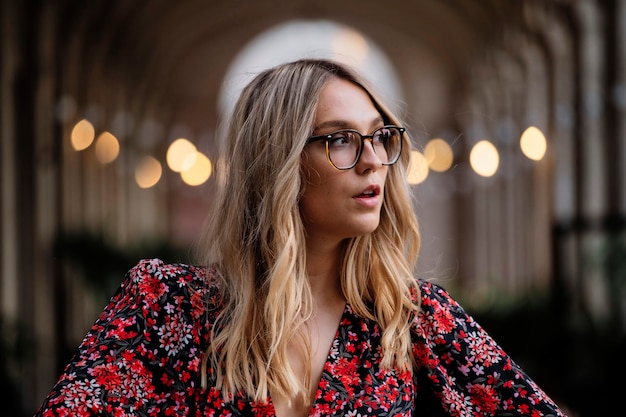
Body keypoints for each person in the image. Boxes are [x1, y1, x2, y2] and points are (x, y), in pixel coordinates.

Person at [35, 58, 567, 417]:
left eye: (382, 137)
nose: (373, 161)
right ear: (278, 161)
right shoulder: (163, 306)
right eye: (340, 139)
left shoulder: (411, 318)